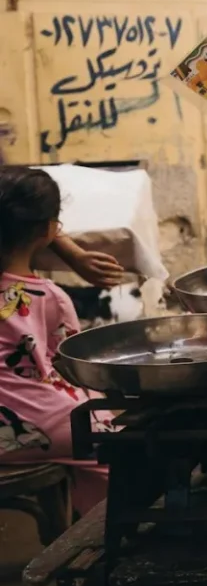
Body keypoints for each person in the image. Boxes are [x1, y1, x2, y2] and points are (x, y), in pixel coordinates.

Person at [0, 167, 107, 513]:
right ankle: (102, 538)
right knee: (120, 440)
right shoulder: (48, 296)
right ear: (48, 231)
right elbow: (71, 368)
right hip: (32, 430)